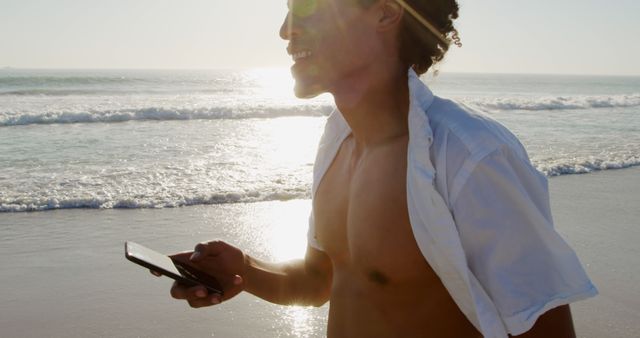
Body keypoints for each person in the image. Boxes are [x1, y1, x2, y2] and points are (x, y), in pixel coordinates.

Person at [157, 1, 597, 337]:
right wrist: (243, 271)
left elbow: (546, 329)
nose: (285, 30)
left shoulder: (468, 154)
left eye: (306, 7)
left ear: (386, 13)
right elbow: (317, 283)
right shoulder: (338, 141)